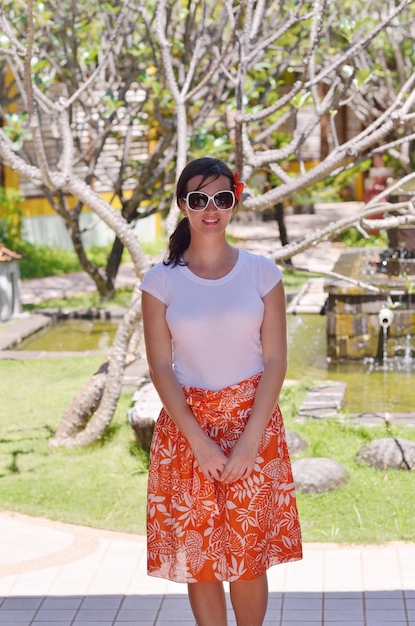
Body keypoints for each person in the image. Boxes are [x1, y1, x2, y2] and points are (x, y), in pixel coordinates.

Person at [139, 157, 302, 626]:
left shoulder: (262, 273)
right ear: (183, 205)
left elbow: (275, 361)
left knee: (249, 558)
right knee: (201, 558)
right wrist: (199, 441)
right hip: (188, 433)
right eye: (199, 199)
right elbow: (160, 368)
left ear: (235, 202)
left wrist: (250, 441)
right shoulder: (160, 281)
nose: (211, 208)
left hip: (255, 424)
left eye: (222, 198)